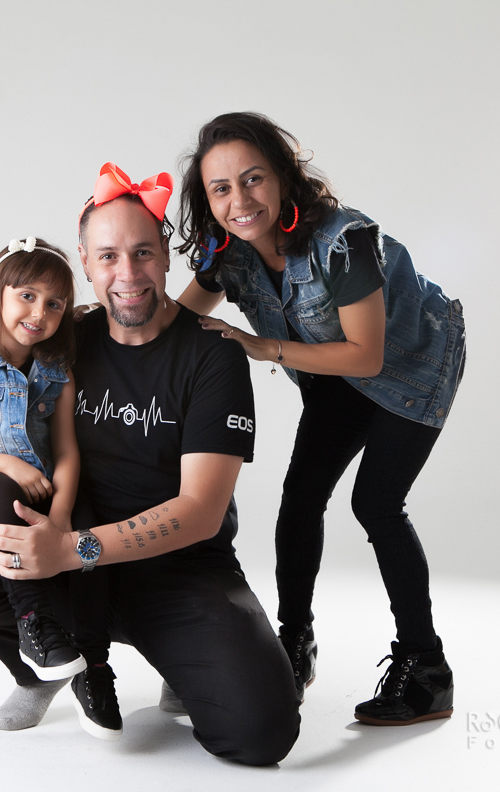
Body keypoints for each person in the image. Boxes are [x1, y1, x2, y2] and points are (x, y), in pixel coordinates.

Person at [0, 162, 300, 765]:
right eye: (108, 256)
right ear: (86, 266)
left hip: (175, 570)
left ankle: (179, 658)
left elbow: (200, 511)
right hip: (64, 568)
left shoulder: (212, 354)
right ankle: (45, 663)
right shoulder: (63, 338)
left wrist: (70, 548)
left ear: (165, 257)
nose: (128, 273)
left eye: (143, 253)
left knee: (261, 733)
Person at [175, 112, 465, 726]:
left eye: (253, 179)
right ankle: (295, 643)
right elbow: (178, 324)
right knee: (301, 498)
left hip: (412, 363)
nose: (239, 201)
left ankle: (427, 668)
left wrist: (260, 347)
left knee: (376, 504)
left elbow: (367, 355)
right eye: (221, 189)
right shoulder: (229, 252)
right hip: (336, 371)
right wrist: (107, 318)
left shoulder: (343, 240)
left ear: (283, 176)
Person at [0, 235, 121, 739]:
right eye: (27, 295)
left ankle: (93, 667)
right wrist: (9, 466)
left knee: (87, 534)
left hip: (43, 494)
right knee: (1, 492)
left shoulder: (56, 371)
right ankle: (34, 622)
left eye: (55, 303)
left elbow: (66, 451)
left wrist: (60, 520)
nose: (39, 312)